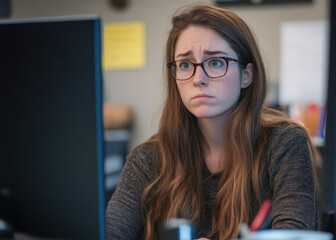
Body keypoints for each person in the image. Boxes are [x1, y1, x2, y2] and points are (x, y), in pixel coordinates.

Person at [106, 4, 319, 240]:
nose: (198, 79)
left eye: (215, 62)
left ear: (246, 75)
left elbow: (294, 234)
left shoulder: (283, 144)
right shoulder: (147, 160)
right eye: (186, 65)